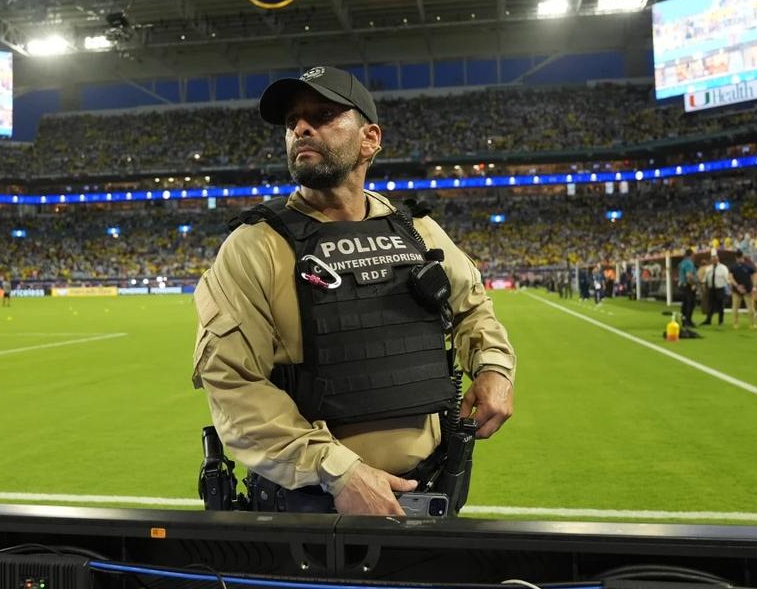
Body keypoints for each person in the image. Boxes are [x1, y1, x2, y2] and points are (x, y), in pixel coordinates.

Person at [192, 66, 516, 516]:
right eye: (292, 123)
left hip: (429, 491)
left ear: (369, 139)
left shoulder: (417, 230)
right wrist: (337, 469)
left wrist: (494, 368)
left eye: (323, 115)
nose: (302, 128)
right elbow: (232, 381)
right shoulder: (253, 247)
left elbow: (472, 308)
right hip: (310, 505)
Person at [729, 250, 757, 329]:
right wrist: (754, 286)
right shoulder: (748, 266)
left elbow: (730, 278)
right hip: (747, 289)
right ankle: (752, 324)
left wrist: (737, 286)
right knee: (750, 307)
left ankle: (735, 324)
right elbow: (755, 276)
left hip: (737, 290)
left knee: (735, 307)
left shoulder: (732, 267)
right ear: (743, 256)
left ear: (735, 257)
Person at [700, 252, 729, 326]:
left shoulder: (723, 268)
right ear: (711, 260)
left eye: (715, 258)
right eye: (712, 259)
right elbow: (705, 278)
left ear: (718, 259)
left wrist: (728, 288)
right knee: (710, 305)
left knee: (720, 306)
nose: (714, 260)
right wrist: (704, 286)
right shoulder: (708, 268)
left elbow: (727, 279)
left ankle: (721, 321)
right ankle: (708, 320)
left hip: (720, 288)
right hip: (711, 289)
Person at [678, 250, 697, 327]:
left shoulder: (682, 263)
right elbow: (689, 275)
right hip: (688, 285)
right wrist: (693, 284)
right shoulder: (689, 263)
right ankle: (688, 321)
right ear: (691, 255)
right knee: (690, 303)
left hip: (682, 285)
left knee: (684, 304)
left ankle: (683, 320)